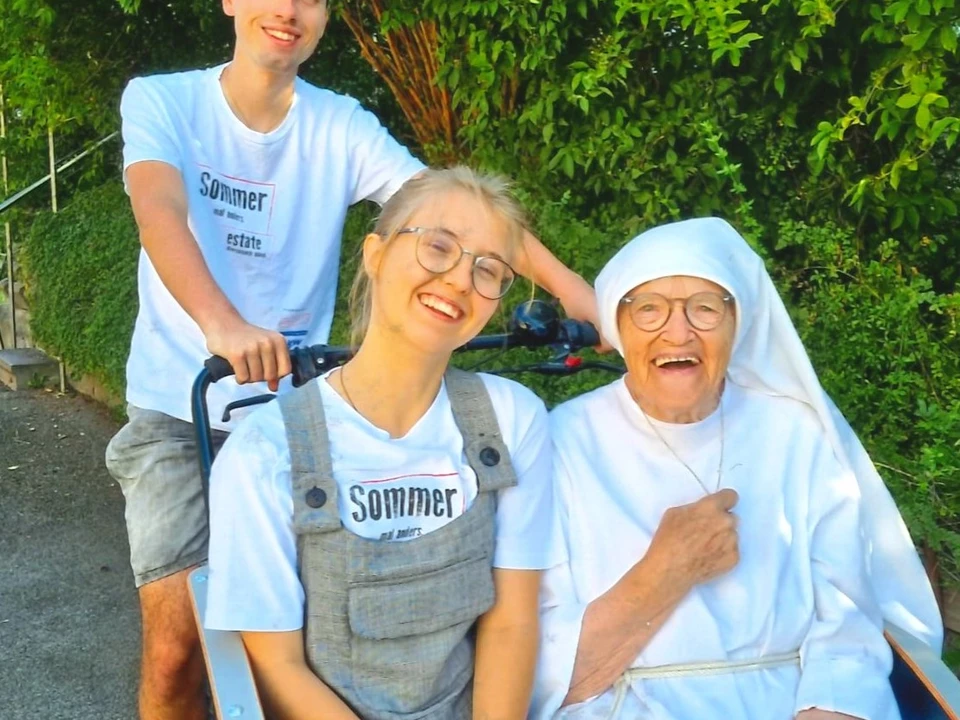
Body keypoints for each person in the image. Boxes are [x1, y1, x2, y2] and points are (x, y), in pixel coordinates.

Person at [104, 2, 597, 718]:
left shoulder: (338, 124)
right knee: (181, 644)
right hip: (183, 405)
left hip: (299, 408)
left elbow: (453, 217)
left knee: (310, 641)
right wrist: (224, 325)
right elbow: (159, 210)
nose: (288, 10)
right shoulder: (164, 99)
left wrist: (574, 292)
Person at [531, 217, 943, 720]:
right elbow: (545, 663)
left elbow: (847, 629)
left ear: (737, 323)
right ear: (618, 325)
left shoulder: (794, 433)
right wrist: (665, 573)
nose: (677, 332)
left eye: (705, 309)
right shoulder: (563, 440)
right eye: (649, 310)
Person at [203, 166, 563, 719]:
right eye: (439, 247)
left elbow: (512, 620)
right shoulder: (264, 453)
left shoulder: (511, 419)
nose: (461, 280)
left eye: (488, 269)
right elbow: (277, 665)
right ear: (375, 255)